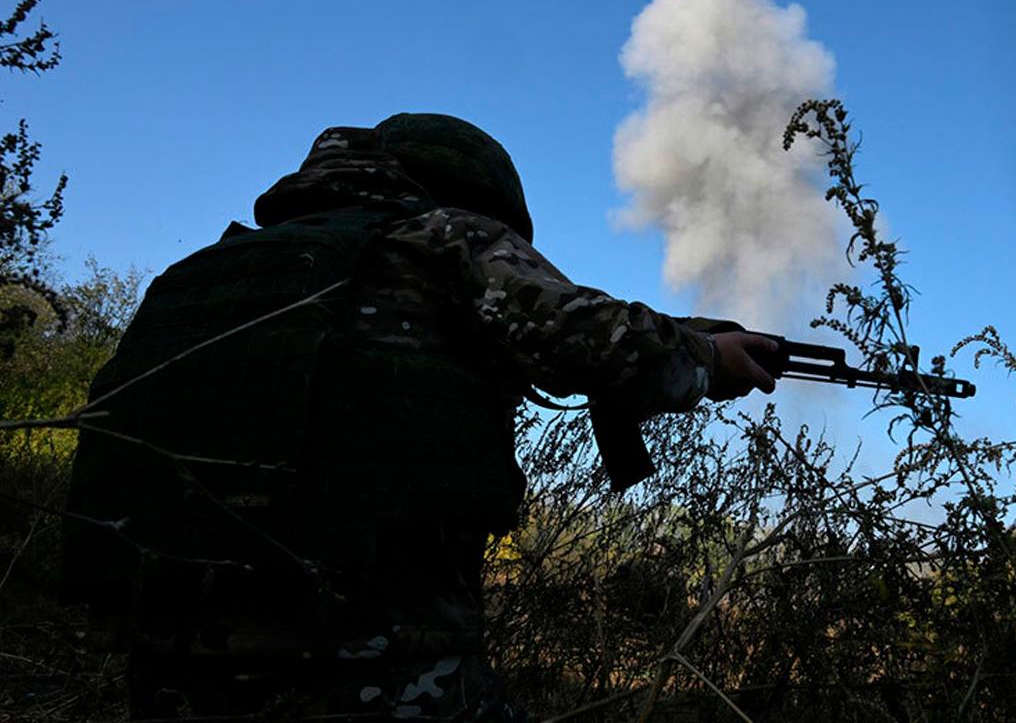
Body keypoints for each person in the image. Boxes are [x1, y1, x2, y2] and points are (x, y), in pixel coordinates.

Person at [62, 114, 778, 720]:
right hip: (369, 648)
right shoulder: (441, 235)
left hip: (162, 647)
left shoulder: (202, 271)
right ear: (475, 195)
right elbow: (594, 339)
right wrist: (708, 358)